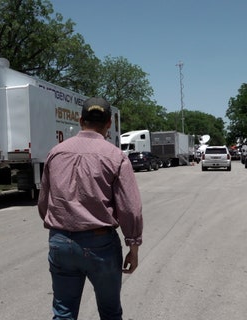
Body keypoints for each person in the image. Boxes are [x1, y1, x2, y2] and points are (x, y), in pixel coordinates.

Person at [38, 97, 143, 320]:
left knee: (63, 312)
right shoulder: (115, 156)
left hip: (61, 242)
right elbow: (130, 208)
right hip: (100, 245)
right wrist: (133, 245)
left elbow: (44, 202)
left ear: (80, 120)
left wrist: (59, 230)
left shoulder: (55, 153)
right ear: (109, 124)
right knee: (109, 312)